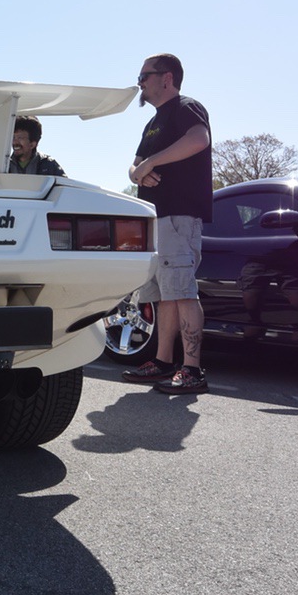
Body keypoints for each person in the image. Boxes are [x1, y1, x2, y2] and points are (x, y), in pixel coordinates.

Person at [122, 54, 213, 395]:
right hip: (156, 217)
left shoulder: (187, 107)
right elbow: (132, 168)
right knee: (164, 295)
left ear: (167, 78)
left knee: (183, 293)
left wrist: (152, 163)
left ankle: (192, 369)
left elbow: (198, 140)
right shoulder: (153, 123)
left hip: (179, 215)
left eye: (144, 75)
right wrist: (140, 171)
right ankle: (162, 362)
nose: (140, 82)